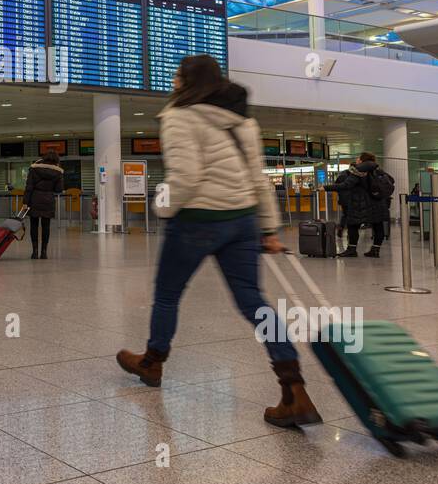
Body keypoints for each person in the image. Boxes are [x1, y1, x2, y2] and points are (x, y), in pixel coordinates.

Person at [116, 54, 322, 428]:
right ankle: (294, 389)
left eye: (177, 74)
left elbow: (187, 175)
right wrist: (269, 229)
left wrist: (163, 207)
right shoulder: (241, 119)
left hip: (197, 219)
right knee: (253, 302)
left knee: (167, 294)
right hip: (242, 221)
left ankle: (153, 362)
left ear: (187, 81)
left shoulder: (179, 116)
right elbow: (258, 177)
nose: (173, 80)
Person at [332, 152, 394, 258]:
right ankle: (375, 250)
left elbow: (346, 184)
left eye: (358, 159)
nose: (356, 160)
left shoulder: (359, 171)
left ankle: (351, 249)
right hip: (378, 202)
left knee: (352, 225)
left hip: (361, 203)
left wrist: (326, 188)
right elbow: (391, 180)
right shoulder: (378, 170)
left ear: (361, 160)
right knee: (378, 225)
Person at [23, 150, 64, 259]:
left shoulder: (34, 169)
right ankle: (44, 252)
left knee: (34, 225)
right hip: (48, 200)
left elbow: (29, 187)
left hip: (34, 199)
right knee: (46, 227)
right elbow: (59, 189)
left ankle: (35, 252)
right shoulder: (58, 172)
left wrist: (25, 202)